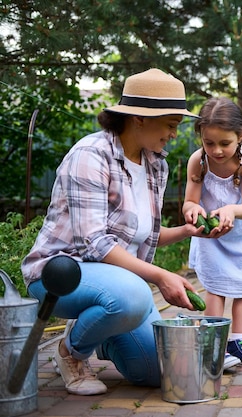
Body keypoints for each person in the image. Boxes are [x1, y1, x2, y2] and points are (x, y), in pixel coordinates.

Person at [21, 68, 206, 396]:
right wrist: (161, 277)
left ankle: (102, 332)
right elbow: (95, 244)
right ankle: (71, 353)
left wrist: (188, 231)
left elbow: (142, 235)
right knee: (133, 295)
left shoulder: (155, 164)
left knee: (156, 371)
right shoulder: (90, 156)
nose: (174, 135)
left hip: (117, 282)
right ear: (139, 119)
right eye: (171, 125)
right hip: (59, 276)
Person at [182, 97, 242, 369]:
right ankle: (215, 346)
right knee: (215, 287)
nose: (217, 150)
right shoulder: (198, 161)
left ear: (240, 136)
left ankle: (239, 343)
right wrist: (192, 210)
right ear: (201, 136)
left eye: (225, 143)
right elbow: (190, 200)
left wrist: (231, 211)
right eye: (209, 143)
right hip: (212, 236)